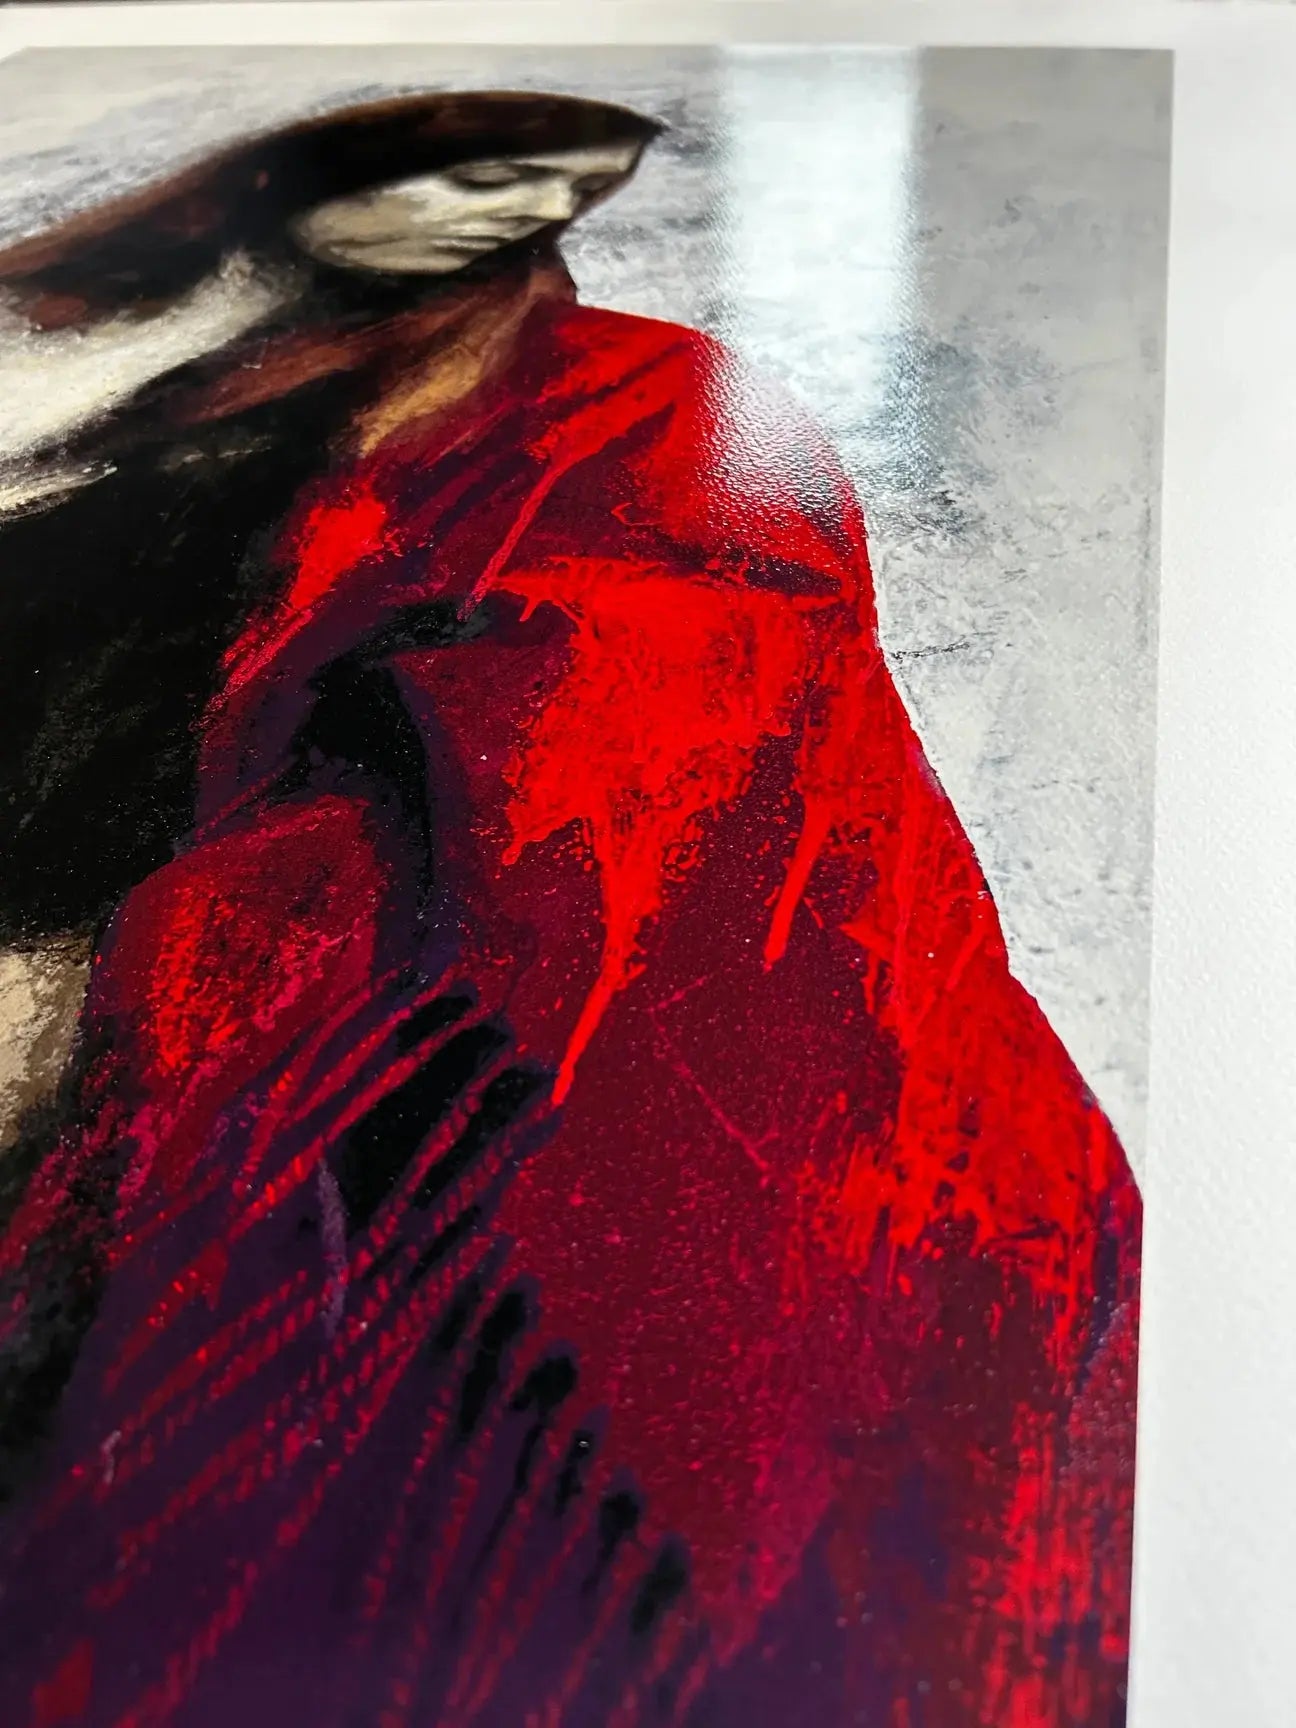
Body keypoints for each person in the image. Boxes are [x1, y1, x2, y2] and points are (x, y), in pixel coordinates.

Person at [0, 92, 1139, 1728]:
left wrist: (352, 816)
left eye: (549, 171)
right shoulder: (212, 414)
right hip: (249, 919)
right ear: (304, 201)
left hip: (611, 961)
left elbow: (715, 675)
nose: (509, 197)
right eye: (450, 169)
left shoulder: (659, 395)